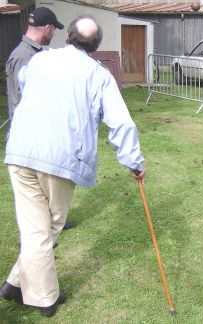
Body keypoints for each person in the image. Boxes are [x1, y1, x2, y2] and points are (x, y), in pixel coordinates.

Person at [0, 16, 146, 317]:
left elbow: (24, 84)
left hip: (20, 151)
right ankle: (45, 298)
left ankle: (14, 284)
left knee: (33, 228)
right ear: (96, 46)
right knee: (47, 227)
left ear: (69, 37)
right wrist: (134, 162)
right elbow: (121, 121)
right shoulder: (97, 74)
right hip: (58, 158)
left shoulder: (39, 62)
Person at [5, 7, 75, 231]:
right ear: (47, 28)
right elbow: (23, 98)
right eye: (53, 29)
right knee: (33, 193)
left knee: (47, 184)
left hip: (40, 130)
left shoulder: (34, 53)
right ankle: (32, 240)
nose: (53, 33)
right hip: (30, 133)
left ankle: (51, 223)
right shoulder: (24, 56)